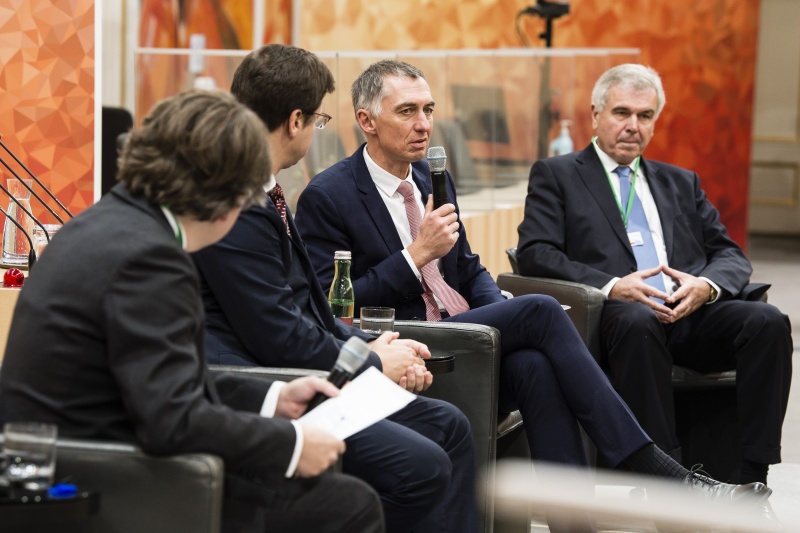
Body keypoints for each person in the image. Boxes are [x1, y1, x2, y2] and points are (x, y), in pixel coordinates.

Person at [293, 58, 775, 515]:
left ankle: (576, 522)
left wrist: (497, 312)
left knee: (534, 364)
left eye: (429, 110)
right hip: (415, 341)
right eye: (407, 111)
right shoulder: (328, 195)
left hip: (463, 326)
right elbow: (333, 304)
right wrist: (415, 256)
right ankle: (662, 475)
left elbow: (468, 265)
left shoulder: (430, 176)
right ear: (366, 121)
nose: (424, 124)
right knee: (541, 310)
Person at [0, 90, 383, 533]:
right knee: (349, 504)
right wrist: (294, 442)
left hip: (76, 457)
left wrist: (271, 397)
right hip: (98, 479)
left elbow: (160, 380)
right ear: (226, 189)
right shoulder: (151, 258)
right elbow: (173, 420)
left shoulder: (109, 223)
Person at [192, 44, 478, 533]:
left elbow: (312, 309)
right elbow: (278, 335)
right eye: (320, 121)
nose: (424, 123)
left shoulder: (269, 192)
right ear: (295, 120)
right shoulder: (235, 204)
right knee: (422, 463)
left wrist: (374, 345)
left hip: (297, 367)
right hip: (269, 385)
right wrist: (371, 363)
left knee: (449, 425)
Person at [515, 63, 793, 486]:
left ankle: (753, 474)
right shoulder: (558, 175)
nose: (633, 126)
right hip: (617, 319)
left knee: (769, 323)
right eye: (621, 113)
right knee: (637, 321)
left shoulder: (680, 182)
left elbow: (730, 255)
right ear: (595, 115)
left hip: (688, 313)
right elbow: (536, 253)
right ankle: (671, 480)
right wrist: (612, 286)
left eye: (645, 116)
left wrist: (705, 286)